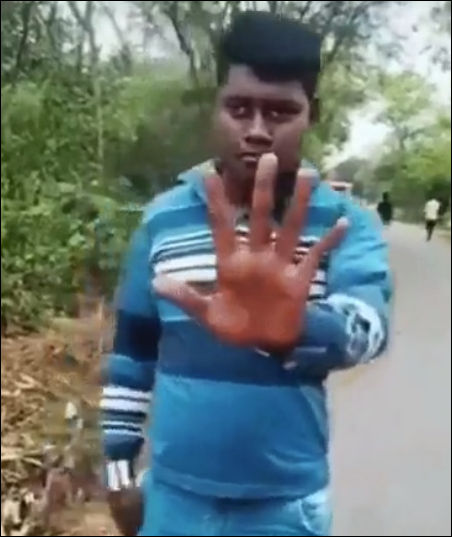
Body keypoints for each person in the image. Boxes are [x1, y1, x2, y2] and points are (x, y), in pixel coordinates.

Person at [101, 11, 392, 537]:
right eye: (239, 108)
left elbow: (369, 326)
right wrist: (119, 474)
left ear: (313, 114)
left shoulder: (344, 224)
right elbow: (132, 356)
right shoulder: (161, 219)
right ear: (216, 107)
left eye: (281, 112)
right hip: (172, 500)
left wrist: (299, 327)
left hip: (284, 508)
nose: (257, 131)